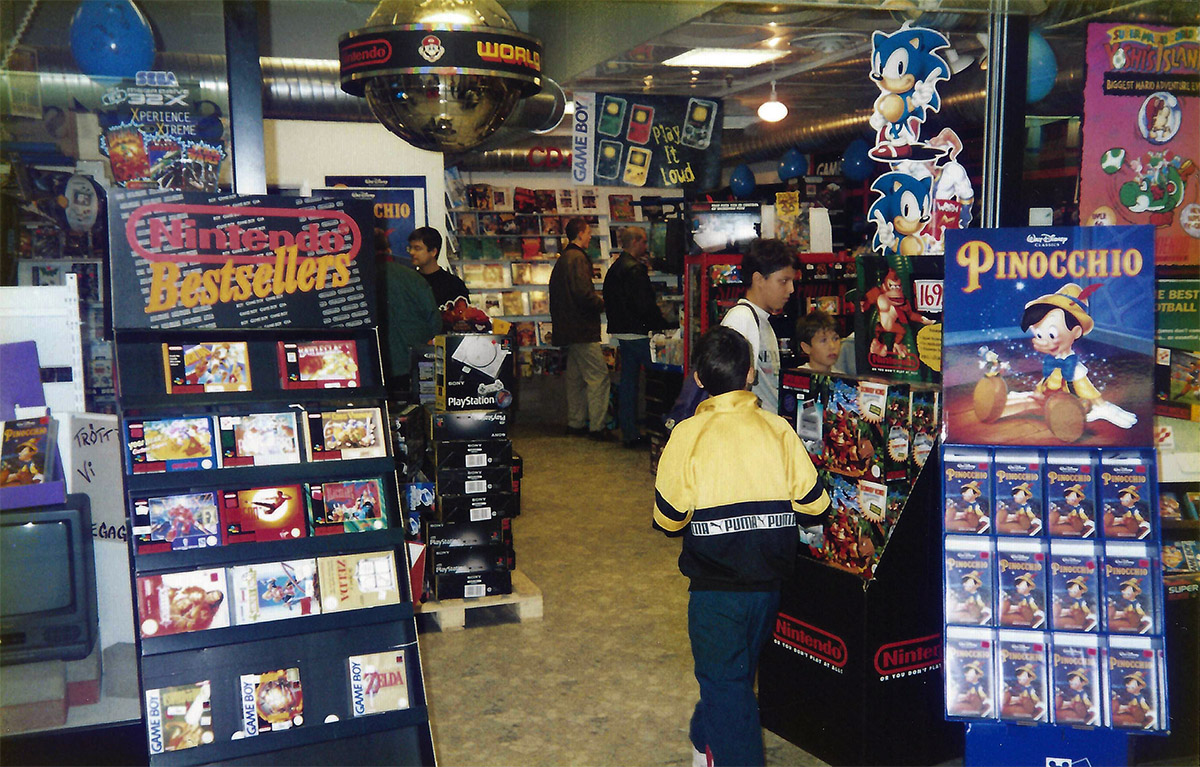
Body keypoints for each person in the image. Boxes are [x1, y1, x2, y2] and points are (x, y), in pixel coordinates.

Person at [654, 326, 830, 767]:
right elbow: (815, 504)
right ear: (751, 373)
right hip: (768, 584)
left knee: (725, 682)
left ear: (698, 378)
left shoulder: (687, 436)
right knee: (734, 675)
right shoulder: (778, 429)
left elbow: (668, 518)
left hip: (715, 589)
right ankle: (703, 740)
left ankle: (720, 748)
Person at [604, 226, 672, 448]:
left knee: (628, 383)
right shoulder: (635, 269)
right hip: (639, 333)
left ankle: (630, 432)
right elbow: (645, 306)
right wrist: (663, 326)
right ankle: (660, 429)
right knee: (661, 380)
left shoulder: (615, 268)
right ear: (634, 242)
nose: (646, 246)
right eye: (643, 241)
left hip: (623, 332)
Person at [550, 217, 610, 439]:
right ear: (580, 234)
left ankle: (575, 423)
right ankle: (597, 427)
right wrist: (604, 304)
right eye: (588, 232)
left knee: (575, 379)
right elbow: (583, 294)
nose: (590, 236)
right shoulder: (578, 259)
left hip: (568, 329)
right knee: (598, 377)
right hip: (583, 328)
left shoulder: (564, 259)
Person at [720, 238, 796, 414]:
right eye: (783, 281)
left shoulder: (762, 320)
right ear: (758, 279)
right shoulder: (741, 318)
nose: (791, 289)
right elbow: (730, 392)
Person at [377, 229, 440, 390]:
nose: (412, 252)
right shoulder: (413, 278)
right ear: (388, 249)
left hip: (374, 366)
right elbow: (435, 322)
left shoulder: (357, 279)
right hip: (413, 363)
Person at [408, 226, 469, 316]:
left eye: (417, 248)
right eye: (410, 248)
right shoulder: (407, 282)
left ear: (433, 252)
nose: (411, 252)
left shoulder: (454, 285)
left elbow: (464, 317)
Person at [794, 309, 841, 374]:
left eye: (835, 339)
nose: (832, 346)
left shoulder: (841, 377)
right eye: (823, 340)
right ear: (806, 347)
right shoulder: (798, 377)